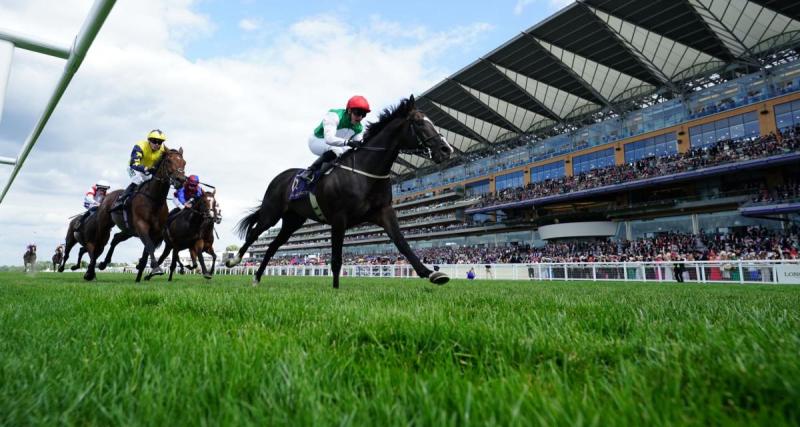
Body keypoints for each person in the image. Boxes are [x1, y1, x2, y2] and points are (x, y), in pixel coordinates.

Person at [298, 95, 370, 183]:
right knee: (337, 150)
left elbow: (357, 145)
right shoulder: (334, 116)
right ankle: (309, 171)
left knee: (348, 152)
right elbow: (329, 139)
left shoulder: (359, 128)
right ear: (349, 110)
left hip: (336, 145)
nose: (360, 117)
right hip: (317, 141)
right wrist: (348, 142)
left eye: (364, 114)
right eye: (358, 113)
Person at [112, 129, 167, 211]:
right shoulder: (140, 146)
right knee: (138, 180)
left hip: (147, 171)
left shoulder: (162, 150)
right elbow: (134, 163)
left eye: (159, 142)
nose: (156, 144)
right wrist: (145, 169)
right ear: (149, 140)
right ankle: (121, 199)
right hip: (134, 168)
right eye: (154, 141)